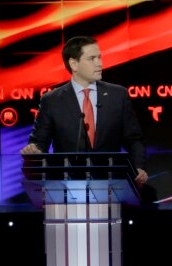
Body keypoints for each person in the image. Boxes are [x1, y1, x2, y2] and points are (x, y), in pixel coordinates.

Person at [21, 35, 148, 187]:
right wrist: (34, 151)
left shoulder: (118, 95)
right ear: (74, 64)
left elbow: (134, 139)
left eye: (100, 57)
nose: (99, 63)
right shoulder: (51, 100)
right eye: (92, 58)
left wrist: (138, 167)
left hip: (110, 185)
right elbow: (38, 144)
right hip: (66, 186)